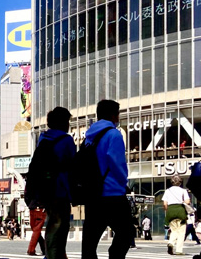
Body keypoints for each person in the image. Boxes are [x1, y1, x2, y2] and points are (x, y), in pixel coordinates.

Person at [81, 100, 133, 259]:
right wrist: (124, 183)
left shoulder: (89, 137)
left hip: (93, 194)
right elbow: (117, 163)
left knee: (90, 240)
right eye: (118, 113)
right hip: (112, 193)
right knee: (126, 232)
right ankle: (114, 255)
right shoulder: (113, 134)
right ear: (113, 115)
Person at [38, 107, 76, 259]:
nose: (69, 125)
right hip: (61, 190)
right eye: (67, 121)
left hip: (46, 190)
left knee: (52, 225)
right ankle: (52, 256)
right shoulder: (66, 141)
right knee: (60, 228)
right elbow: (73, 168)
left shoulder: (43, 139)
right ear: (63, 123)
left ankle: (54, 255)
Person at [163, 175, 191, 255]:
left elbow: (165, 204)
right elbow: (187, 202)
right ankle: (179, 250)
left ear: (171, 182)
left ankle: (171, 243)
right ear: (180, 182)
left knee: (174, 230)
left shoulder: (167, 191)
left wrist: (167, 210)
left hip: (170, 211)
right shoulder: (183, 191)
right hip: (180, 211)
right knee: (181, 232)